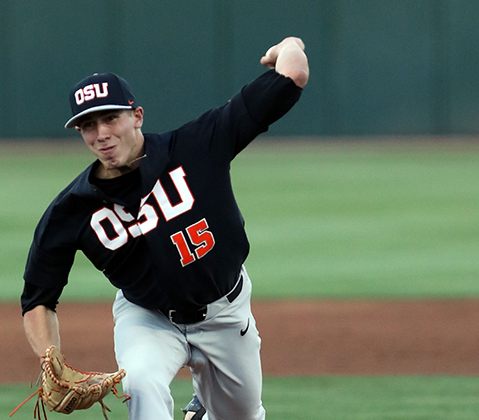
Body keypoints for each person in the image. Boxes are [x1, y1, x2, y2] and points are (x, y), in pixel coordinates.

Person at [20, 36, 309, 420]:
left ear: (136, 116)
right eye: (88, 125)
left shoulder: (196, 146)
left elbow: (295, 74)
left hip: (226, 311)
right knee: (140, 383)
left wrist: (288, 44)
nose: (102, 133)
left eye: (110, 118)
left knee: (242, 415)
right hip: (148, 318)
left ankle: (202, 410)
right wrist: (48, 357)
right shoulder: (71, 209)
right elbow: (38, 298)